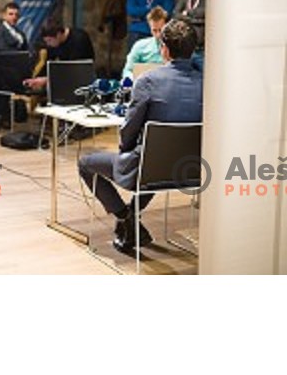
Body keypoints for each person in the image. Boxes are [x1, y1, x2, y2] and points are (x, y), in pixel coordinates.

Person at [77, 19, 203, 253]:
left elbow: (128, 131)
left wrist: (125, 149)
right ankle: (131, 222)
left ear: (164, 48)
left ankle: (125, 218)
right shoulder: (209, 84)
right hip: (192, 170)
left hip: (150, 168)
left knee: (86, 163)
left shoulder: (147, 82)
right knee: (157, 155)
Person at [24, 19, 95, 90]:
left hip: (82, 80)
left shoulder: (79, 40)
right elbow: (47, 63)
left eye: (49, 40)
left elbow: (74, 71)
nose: (48, 44)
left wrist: (46, 80)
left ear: (58, 35)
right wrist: (35, 80)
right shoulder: (54, 42)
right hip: (65, 78)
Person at [173, 0, 207, 72]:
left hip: (203, 50)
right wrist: (197, 19)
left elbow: (206, 13)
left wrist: (187, 14)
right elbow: (175, 14)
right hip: (186, 51)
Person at [121, 7, 167, 79]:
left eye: (161, 30)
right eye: (154, 30)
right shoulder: (140, 46)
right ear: (149, 28)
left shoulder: (175, 47)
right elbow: (128, 70)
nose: (158, 34)